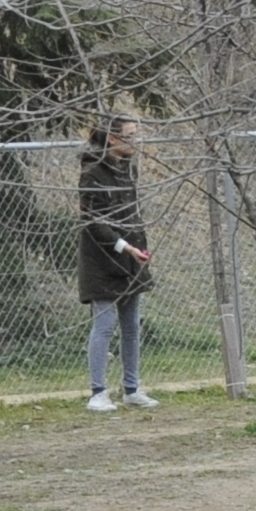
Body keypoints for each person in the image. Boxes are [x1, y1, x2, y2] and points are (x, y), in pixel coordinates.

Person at [78, 113, 156, 412]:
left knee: (132, 325)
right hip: (103, 262)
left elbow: (132, 214)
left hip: (132, 259)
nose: (135, 141)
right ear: (112, 138)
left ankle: (132, 388)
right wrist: (124, 247)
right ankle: (98, 392)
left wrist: (139, 248)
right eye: (129, 135)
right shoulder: (92, 173)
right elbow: (94, 221)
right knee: (105, 326)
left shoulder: (127, 169)